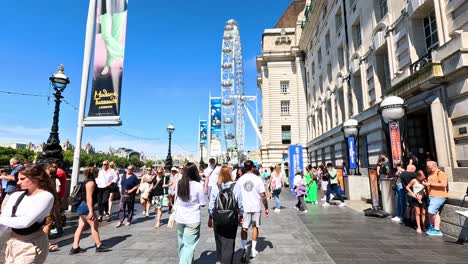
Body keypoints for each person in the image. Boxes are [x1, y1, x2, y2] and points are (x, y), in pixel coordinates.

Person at [0, 164, 54, 263]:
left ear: (36, 178)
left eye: (22, 179)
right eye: (18, 179)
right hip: (11, 241)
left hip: (31, 243)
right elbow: (4, 220)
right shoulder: (16, 195)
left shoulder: (46, 196)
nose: (18, 182)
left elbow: (25, 222)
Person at [234, 160, 269, 263]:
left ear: (244, 168)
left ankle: (244, 248)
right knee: (255, 227)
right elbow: (262, 195)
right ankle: (253, 250)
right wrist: (266, 207)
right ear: (253, 167)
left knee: (244, 228)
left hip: (244, 208)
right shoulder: (257, 179)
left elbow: (236, 195)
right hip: (256, 207)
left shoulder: (240, 180)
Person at [70, 167, 109, 255]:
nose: (98, 174)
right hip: (85, 206)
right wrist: (91, 211)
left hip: (81, 206)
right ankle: (99, 245)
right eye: (97, 172)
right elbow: (89, 197)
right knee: (94, 225)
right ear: (94, 173)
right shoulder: (90, 183)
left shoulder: (86, 181)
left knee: (81, 226)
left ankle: (75, 247)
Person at [174, 163, 207, 264]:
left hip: (179, 218)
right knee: (189, 246)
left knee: (182, 244)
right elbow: (203, 203)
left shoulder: (179, 183)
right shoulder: (198, 185)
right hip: (192, 219)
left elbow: (176, 199)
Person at [208, 166, 241, 264]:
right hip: (232, 218)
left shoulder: (216, 187)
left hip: (218, 218)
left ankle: (220, 260)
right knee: (229, 242)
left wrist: (211, 217)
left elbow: (211, 206)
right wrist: (242, 215)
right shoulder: (236, 186)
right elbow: (240, 203)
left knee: (219, 240)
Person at [423, 161, 448, 236]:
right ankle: (435, 228)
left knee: (431, 211)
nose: (428, 168)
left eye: (429, 167)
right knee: (435, 212)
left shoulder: (441, 173)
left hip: (439, 196)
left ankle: (436, 229)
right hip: (432, 195)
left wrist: (430, 184)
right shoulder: (431, 174)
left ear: (434, 166)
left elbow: (444, 184)